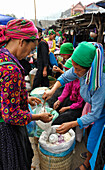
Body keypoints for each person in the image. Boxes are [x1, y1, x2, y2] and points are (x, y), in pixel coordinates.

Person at [42, 41, 105, 170]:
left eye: (78, 69)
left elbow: (95, 114)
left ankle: (88, 163)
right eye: (73, 67)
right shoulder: (80, 69)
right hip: (91, 105)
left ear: (89, 67)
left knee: (95, 137)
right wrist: (52, 91)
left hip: (104, 111)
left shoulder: (102, 83)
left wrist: (72, 124)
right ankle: (91, 154)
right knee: (89, 135)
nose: (75, 71)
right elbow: (65, 77)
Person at [0, 19, 53, 170]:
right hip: (7, 130)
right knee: (17, 163)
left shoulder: (2, 56)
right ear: (22, 41)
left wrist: (24, 97)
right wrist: (38, 117)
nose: (29, 53)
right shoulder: (11, 69)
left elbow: (3, 92)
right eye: (31, 49)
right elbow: (11, 115)